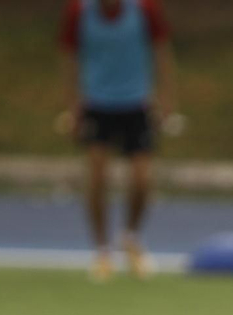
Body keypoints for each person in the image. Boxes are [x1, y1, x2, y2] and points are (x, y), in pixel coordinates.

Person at [57, 0, 177, 281]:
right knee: (97, 177)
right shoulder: (79, 12)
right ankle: (102, 250)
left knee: (142, 179)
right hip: (97, 104)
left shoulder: (144, 9)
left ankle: (131, 236)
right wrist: (72, 105)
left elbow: (161, 51)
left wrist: (167, 98)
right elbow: (69, 57)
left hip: (137, 104)